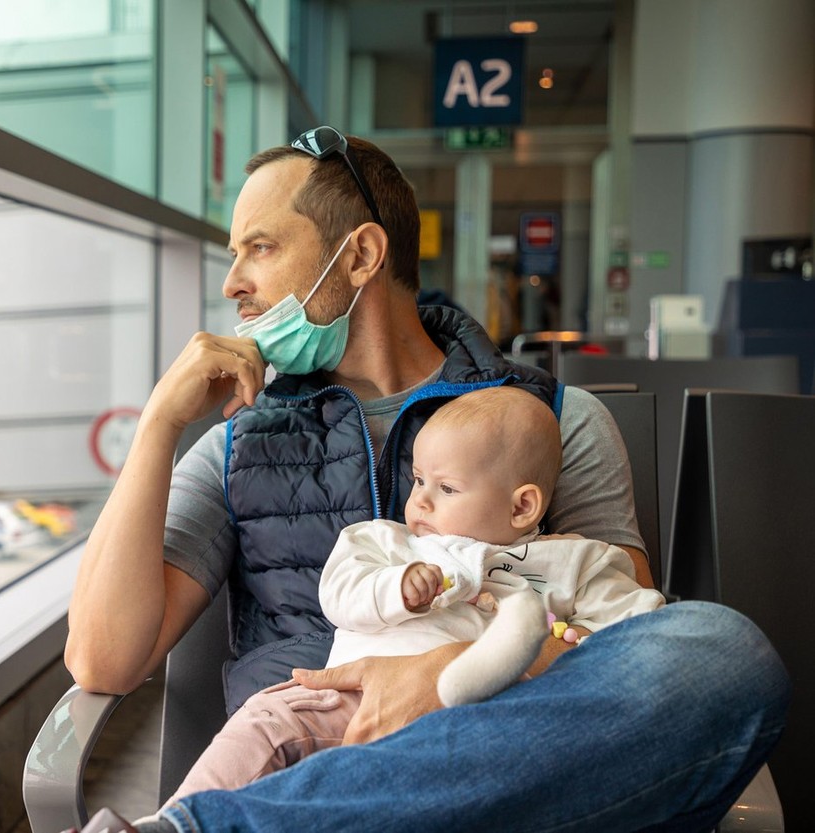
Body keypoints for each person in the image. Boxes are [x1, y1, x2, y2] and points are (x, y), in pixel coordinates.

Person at [62, 125, 789, 833]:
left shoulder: (552, 421)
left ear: (361, 255)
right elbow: (103, 657)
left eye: (261, 247)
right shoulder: (236, 449)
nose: (233, 283)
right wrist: (159, 422)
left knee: (723, 650)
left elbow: (624, 649)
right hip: (308, 766)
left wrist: (444, 674)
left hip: (501, 773)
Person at [160, 385, 667, 805]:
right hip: (352, 702)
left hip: (494, 725)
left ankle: (508, 648)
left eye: (446, 488)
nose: (418, 499)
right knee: (266, 724)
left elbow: (644, 631)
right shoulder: (385, 542)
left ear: (522, 507)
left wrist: (577, 644)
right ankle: (179, 823)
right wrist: (396, 589)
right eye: (418, 479)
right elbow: (338, 593)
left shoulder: (574, 559)